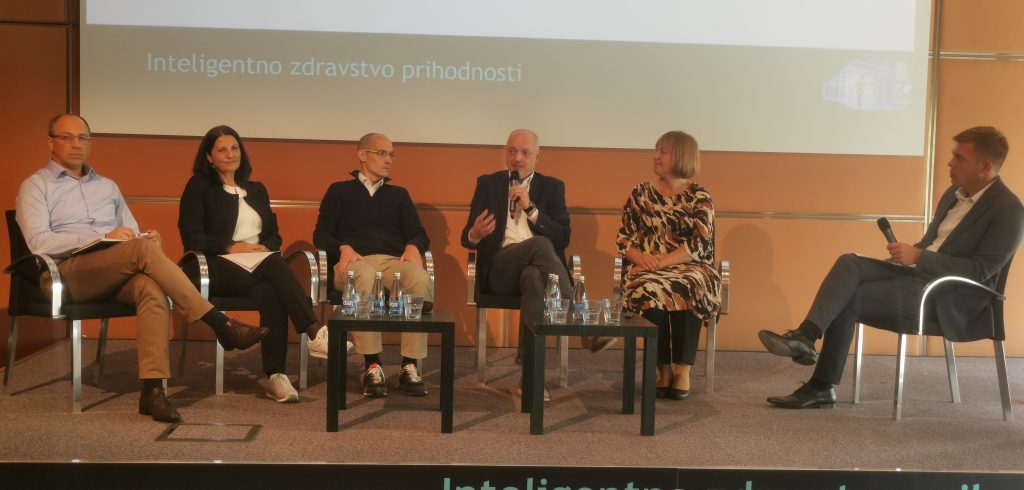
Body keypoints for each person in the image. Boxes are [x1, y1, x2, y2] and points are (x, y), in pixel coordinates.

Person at [15, 114, 269, 423]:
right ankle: (219, 322)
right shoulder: (36, 185)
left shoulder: (107, 186)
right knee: (141, 251)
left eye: (83, 137)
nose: (76, 144)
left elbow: (132, 233)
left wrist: (147, 238)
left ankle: (153, 390)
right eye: (67, 137)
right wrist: (103, 237)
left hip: (115, 268)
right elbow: (39, 242)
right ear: (51, 142)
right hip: (66, 273)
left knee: (151, 289)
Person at [758, 126, 1024, 409]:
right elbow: (931, 244)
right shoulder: (953, 194)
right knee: (849, 263)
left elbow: (980, 271)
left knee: (847, 298)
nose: (950, 163)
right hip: (919, 275)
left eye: (960, 158)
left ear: (985, 167)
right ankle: (806, 336)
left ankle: (820, 385)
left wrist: (919, 257)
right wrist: (907, 256)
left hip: (949, 298)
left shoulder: (1008, 210)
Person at [178, 125, 351, 403]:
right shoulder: (200, 187)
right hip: (214, 266)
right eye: (222, 150)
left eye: (234, 148)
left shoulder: (256, 190)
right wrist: (231, 247)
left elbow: (274, 235)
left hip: (258, 268)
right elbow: (192, 235)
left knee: (272, 290)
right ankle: (314, 331)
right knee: (274, 266)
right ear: (209, 157)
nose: (230, 154)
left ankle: (276, 376)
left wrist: (264, 247)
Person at [461, 129, 614, 400]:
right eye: (512, 151)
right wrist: (475, 233)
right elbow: (467, 237)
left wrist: (531, 209)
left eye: (525, 152)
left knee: (533, 276)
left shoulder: (552, 187)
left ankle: (529, 380)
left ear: (537, 157)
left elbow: (563, 237)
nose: (517, 158)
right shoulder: (488, 184)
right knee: (540, 244)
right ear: (505, 153)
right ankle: (582, 322)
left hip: (540, 273)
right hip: (500, 270)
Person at [313, 132, 433, 398]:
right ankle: (372, 365)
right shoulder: (339, 191)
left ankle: (409, 366)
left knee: (418, 277)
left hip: (391, 262)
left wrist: (414, 245)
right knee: (365, 276)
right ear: (362, 155)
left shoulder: (399, 195)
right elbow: (321, 234)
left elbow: (418, 233)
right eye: (382, 153)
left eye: (391, 154)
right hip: (353, 262)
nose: (389, 160)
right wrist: (342, 247)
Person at [615, 131, 721, 401]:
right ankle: (662, 368)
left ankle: (683, 368)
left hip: (690, 265)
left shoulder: (700, 196)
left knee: (688, 283)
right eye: (656, 150)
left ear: (681, 156)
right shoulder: (640, 193)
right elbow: (624, 239)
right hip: (646, 267)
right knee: (649, 286)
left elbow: (699, 245)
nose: (655, 156)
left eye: (662, 151)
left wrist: (659, 262)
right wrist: (641, 258)